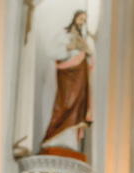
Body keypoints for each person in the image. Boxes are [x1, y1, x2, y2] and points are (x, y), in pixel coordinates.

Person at [40, 10, 94, 156]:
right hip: (67, 76)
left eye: (84, 20)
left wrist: (87, 53)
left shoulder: (83, 39)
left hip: (80, 77)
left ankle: (71, 142)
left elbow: (90, 60)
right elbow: (51, 52)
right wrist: (69, 48)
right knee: (65, 104)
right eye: (80, 18)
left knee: (77, 107)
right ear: (74, 18)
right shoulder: (64, 36)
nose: (82, 22)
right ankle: (55, 137)